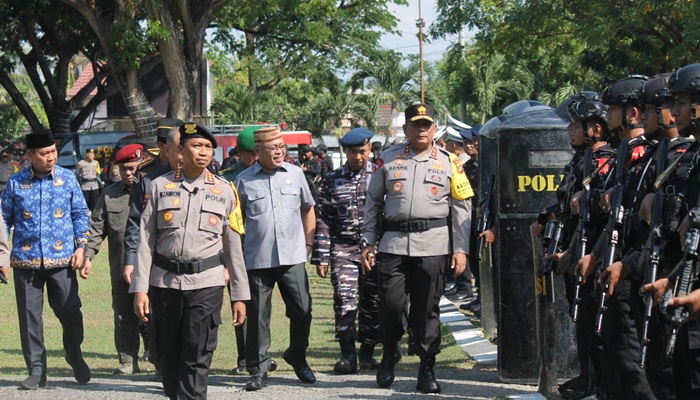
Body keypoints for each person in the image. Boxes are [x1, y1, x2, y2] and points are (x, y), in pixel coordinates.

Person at [130, 122, 249, 400]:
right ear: (181, 151)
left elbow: (234, 247)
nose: (203, 152)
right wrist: (140, 288)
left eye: (208, 147)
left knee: (197, 354)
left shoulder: (225, 191)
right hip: (165, 283)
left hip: (207, 283)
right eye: (197, 146)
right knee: (166, 355)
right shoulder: (159, 186)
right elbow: (145, 242)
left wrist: (240, 295)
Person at [361, 103, 474, 393]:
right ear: (406, 129)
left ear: (435, 128)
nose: (422, 129)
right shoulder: (388, 159)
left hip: (434, 244)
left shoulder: (451, 162)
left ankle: (426, 367)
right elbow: (373, 202)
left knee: (427, 309)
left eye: (427, 124)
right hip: (394, 244)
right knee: (390, 305)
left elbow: (462, 209)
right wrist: (368, 242)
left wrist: (460, 249)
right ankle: (390, 354)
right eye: (416, 124)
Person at [0, 129, 91, 390]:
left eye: (53, 152)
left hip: (62, 261)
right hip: (26, 262)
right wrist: (2, 255)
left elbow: (80, 215)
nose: (50, 157)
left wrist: (81, 247)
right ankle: (37, 370)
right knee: (30, 318)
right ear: (29, 155)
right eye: (44, 153)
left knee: (70, 311)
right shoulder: (16, 183)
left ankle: (74, 353)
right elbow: (3, 219)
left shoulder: (68, 178)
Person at [235, 125, 317, 391]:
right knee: (257, 316)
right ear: (257, 152)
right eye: (273, 148)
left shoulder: (295, 174)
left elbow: (308, 209)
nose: (279, 152)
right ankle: (258, 368)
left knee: (303, 310)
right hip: (257, 259)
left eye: (282, 147)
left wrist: (307, 243)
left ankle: (297, 356)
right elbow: (237, 223)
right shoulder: (244, 180)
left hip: (293, 256)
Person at [311, 128, 380, 374]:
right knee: (344, 300)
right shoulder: (332, 179)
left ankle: (368, 353)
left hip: (375, 249)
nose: (358, 157)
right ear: (344, 151)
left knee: (372, 301)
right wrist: (321, 256)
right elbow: (324, 220)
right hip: (343, 248)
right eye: (352, 152)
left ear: (369, 148)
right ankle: (348, 355)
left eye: (362, 151)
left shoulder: (381, 176)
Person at [123, 118, 183, 372]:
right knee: (158, 315)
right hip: (157, 260)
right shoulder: (149, 180)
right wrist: (130, 260)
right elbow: (135, 224)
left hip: (190, 260)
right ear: (163, 147)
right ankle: (162, 362)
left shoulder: (204, 176)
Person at [219, 125, 278, 375]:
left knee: (262, 307)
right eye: (251, 154)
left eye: (259, 152)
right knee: (240, 302)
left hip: (262, 249)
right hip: (236, 251)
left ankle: (261, 355)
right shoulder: (227, 179)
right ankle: (246, 358)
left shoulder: (272, 173)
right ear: (239, 154)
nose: (256, 158)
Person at [84, 144, 145, 375]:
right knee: (123, 316)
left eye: (132, 168)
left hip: (154, 269)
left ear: (142, 166)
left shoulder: (154, 190)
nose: (128, 173)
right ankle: (128, 361)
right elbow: (96, 229)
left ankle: (161, 361)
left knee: (156, 316)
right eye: (123, 169)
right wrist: (88, 255)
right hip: (121, 269)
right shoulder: (109, 195)